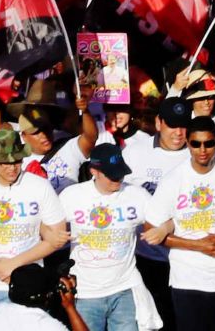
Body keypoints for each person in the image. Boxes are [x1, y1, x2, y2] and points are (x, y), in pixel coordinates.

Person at [146, 115, 215, 331]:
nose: (202, 150)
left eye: (209, 143)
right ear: (187, 143)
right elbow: (150, 228)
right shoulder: (173, 179)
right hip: (187, 279)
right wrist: (198, 245)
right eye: (195, 143)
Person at [0, 127, 69, 324]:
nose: (11, 168)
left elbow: (57, 237)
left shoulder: (39, 186)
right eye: (4, 163)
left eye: (16, 161)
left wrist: (14, 264)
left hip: (31, 287)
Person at [57, 141, 151, 331]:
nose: (118, 179)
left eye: (121, 173)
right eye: (112, 175)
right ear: (94, 171)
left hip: (125, 288)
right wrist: (56, 237)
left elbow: (161, 221)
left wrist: (161, 230)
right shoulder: (71, 196)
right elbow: (48, 228)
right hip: (86, 291)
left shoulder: (137, 195)